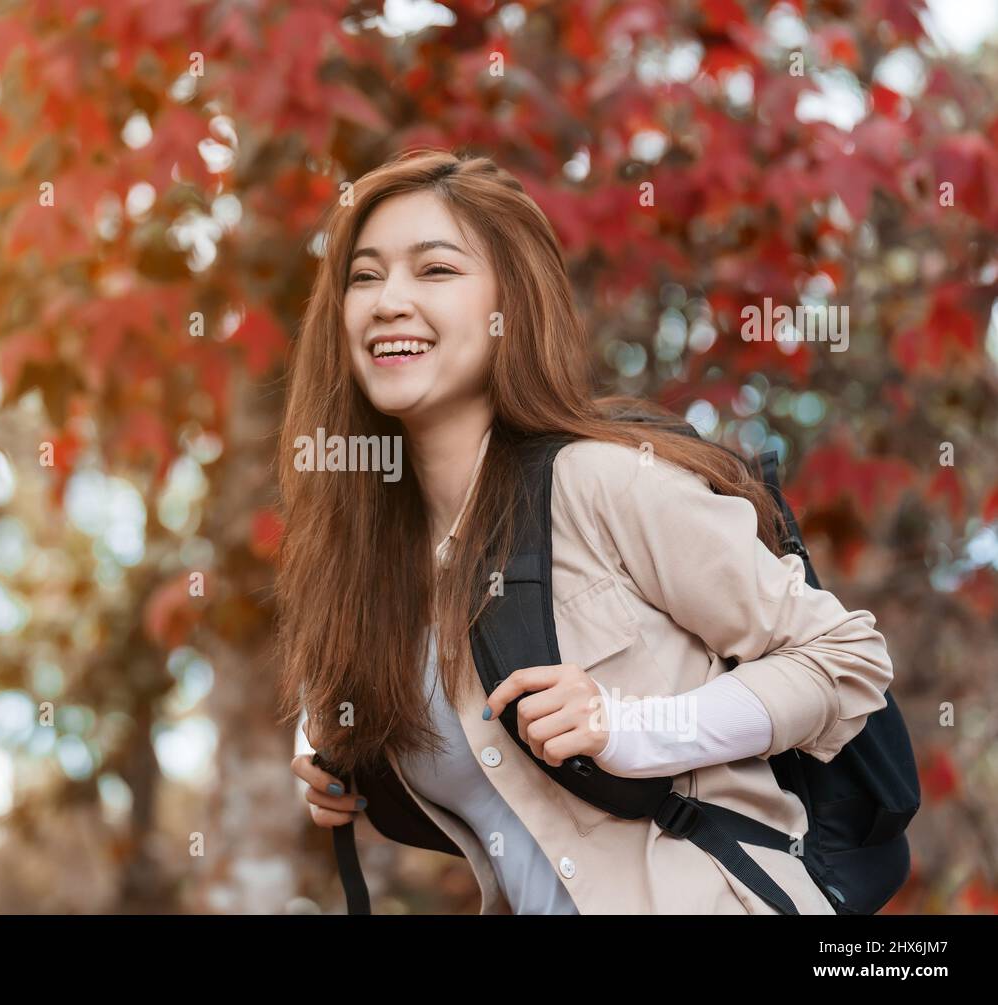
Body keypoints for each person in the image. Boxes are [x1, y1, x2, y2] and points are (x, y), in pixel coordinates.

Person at [279, 148, 893, 914]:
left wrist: (630, 726)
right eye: (365, 276)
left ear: (513, 306)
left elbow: (847, 658)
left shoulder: (603, 480)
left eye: (435, 270)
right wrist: (334, 759)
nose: (388, 301)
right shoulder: (368, 570)